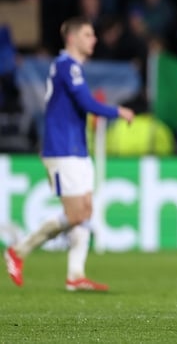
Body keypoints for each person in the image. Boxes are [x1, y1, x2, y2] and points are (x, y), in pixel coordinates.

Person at [3, 17, 134, 291]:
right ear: (72, 39)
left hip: (76, 148)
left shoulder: (71, 68)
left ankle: (75, 275)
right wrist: (117, 111)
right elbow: (86, 102)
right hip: (62, 149)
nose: (94, 39)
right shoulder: (67, 66)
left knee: (85, 212)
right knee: (75, 214)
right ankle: (19, 250)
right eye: (88, 34)